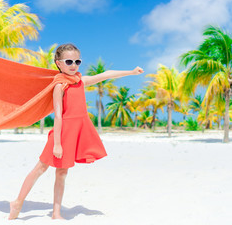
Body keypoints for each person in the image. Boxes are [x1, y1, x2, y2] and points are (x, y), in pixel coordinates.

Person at [8, 43, 144, 220]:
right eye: (69, 61)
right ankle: (18, 202)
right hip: (62, 133)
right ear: (58, 63)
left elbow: (104, 75)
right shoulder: (60, 85)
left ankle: (56, 213)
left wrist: (131, 72)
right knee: (40, 168)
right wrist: (57, 143)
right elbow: (58, 116)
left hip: (76, 132)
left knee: (62, 173)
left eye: (77, 61)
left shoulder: (80, 80)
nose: (74, 65)